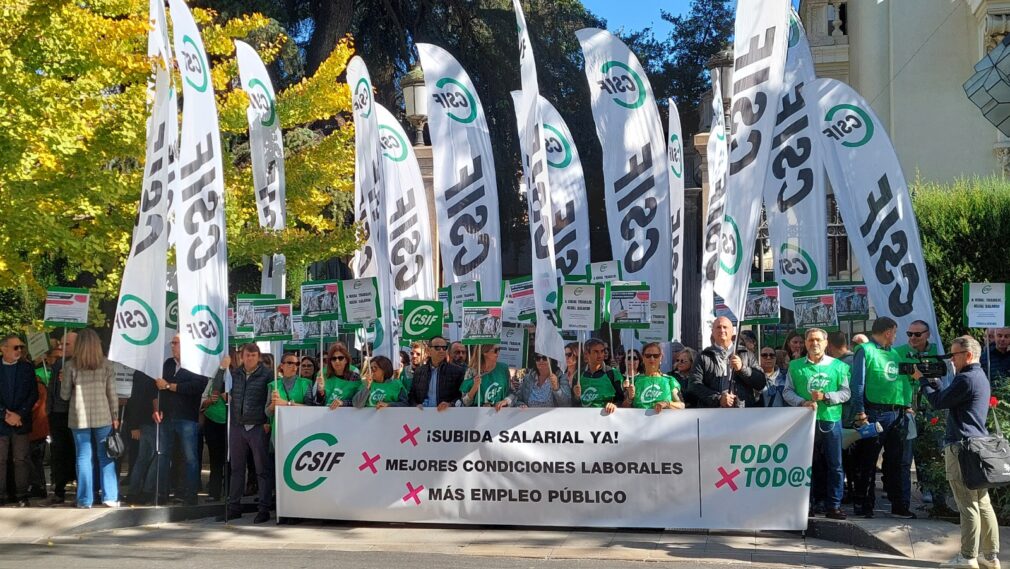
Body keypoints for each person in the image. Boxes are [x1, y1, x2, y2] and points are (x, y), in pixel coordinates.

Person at [916, 335, 999, 569]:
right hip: (976, 446)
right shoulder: (977, 376)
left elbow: (937, 402)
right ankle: (989, 556)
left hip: (961, 447)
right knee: (982, 503)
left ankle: (967, 557)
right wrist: (934, 382)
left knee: (967, 505)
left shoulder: (965, 378)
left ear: (968, 355)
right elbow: (947, 397)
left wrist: (922, 380)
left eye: (954, 355)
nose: (951, 360)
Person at [849, 317, 915, 519]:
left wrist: (908, 404)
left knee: (897, 460)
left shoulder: (894, 354)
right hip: (874, 412)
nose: (895, 337)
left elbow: (902, 382)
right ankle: (863, 504)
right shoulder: (865, 350)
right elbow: (857, 383)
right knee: (867, 460)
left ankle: (899, 504)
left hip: (898, 412)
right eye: (894, 333)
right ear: (888, 332)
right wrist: (860, 412)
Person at [783, 328, 850, 520]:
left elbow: (846, 393)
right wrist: (802, 402)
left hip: (831, 420)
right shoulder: (795, 366)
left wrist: (827, 396)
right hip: (805, 421)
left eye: (818, 340)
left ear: (826, 342)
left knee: (835, 465)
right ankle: (807, 504)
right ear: (805, 343)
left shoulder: (838, 366)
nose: (815, 344)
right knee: (807, 464)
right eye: (811, 340)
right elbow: (787, 392)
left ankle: (834, 506)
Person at [213, 343, 272, 524]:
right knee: (237, 469)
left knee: (262, 470)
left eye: (254, 356)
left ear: (258, 357)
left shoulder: (267, 375)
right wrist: (222, 369)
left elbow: (271, 398)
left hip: (257, 426)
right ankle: (234, 507)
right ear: (241, 356)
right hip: (238, 426)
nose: (250, 359)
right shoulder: (235, 374)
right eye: (247, 355)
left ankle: (264, 508)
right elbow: (217, 387)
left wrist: (267, 422)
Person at [60, 329, 119, 508]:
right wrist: (115, 416)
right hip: (103, 416)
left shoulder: (70, 366)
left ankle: (85, 500)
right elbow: (112, 394)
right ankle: (110, 497)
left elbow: (64, 395)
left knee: (83, 457)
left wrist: (63, 380)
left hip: (79, 417)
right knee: (106, 457)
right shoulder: (107, 365)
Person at [151, 334, 208, 505]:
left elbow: (196, 387)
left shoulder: (197, 365)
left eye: (176, 343)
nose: (172, 345)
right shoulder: (168, 364)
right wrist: (156, 408)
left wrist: (169, 386)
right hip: (166, 416)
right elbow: (158, 388)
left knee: (190, 458)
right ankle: (161, 495)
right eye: (172, 342)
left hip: (187, 417)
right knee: (162, 456)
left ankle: (190, 496)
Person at [689, 316, 767, 408]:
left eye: (725, 327)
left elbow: (761, 383)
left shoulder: (746, 354)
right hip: (711, 414)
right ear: (712, 332)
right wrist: (718, 399)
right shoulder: (703, 356)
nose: (722, 330)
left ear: (732, 332)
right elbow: (694, 385)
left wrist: (742, 368)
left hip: (742, 413)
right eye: (718, 327)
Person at [0, 335, 38, 507]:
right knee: (0, 459)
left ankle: (22, 495)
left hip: (20, 421)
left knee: (20, 459)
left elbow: (33, 394)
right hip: (1, 421)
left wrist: (19, 415)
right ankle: (1, 494)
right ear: (3, 348)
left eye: (21, 347)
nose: (20, 350)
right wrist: (4, 414)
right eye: (16, 347)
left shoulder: (27, 368)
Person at [47, 331, 77, 504]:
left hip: (75, 414)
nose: (61, 347)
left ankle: (80, 489)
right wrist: (49, 409)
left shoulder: (82, 364)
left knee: (76, 452)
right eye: (61, 344)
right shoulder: (59, 362)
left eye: (66, 344)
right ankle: (59, 490)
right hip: (57, 414)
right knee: (58, 453)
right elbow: (52, 387)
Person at [125, 370, 159, 505]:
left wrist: (134, 424)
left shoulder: (142, 372)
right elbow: (135, 399)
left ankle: (133, 492)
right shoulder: (148, 373)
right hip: (149, 421)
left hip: (146, 421)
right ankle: (146, 491)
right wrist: (134, 425)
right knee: (156, 457)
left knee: (143, 458)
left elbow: (135, 399)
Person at [497, 353, 571, 409]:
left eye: (545, 358)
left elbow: (567, 404)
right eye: (538, 358)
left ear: (552, 360)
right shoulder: (528, 378)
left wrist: (557, 389)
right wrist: (520, 405)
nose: (541, 361)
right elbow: (518, 398)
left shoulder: (561, 377)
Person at [625, 342, 684, 412]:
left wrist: (667, 404)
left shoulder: (670, 381)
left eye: (656, 356)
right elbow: (623, 408)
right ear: (643, 358)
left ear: (661, 358)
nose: (652, 358)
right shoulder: (634, 381)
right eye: (648, 355)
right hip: (639, 421)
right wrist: (629, 398)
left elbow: (681, 405)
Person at [408, 336, 464, 409]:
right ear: (428, 351)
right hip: (423, 414)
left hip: (447, 414)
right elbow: (412, 396)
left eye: (444, 348)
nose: (441, 350)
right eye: (437, 347)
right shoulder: (419, 371)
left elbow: (461, 396)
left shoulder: (457, 371)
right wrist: (416, 405)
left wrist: (451, 404)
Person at [573, 338, 624, 414]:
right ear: (587, 354)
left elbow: (622, 399)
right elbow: (573, 403)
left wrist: (614, 405)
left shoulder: (613, 373)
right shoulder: (578, 374)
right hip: (583, 419)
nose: (600, 355)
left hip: (606, 418)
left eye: (602, 351)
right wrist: (576, 396)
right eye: (596, 352)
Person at [266, 353, 314, 433]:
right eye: (289, 363)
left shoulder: (306, 384)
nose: (294, 366)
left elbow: (310, 408)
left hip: (299, 428)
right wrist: (272, 405)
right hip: (278, 431)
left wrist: (287, 404)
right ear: (282, 366)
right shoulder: (273, 385)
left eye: (297, 364)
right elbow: (267, 413)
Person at [200, 369, 227, 503]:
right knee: (215, 459)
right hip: (211, 422)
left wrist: (226, 395)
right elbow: (202, 403)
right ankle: (214, 492)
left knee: (229, 460)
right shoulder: (210, 379)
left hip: (228, 423)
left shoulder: (235, 378)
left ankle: (228, 491)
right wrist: (209, 401)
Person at [313, 342, 360, 409]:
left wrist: (343, 403)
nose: (337, 361)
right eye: (333, 359)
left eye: (340, 358)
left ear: (346, 360)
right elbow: (316, 403)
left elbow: (358, 401)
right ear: (330, 361)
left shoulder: (355, 377)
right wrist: (321, 392)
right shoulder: (324, 376)